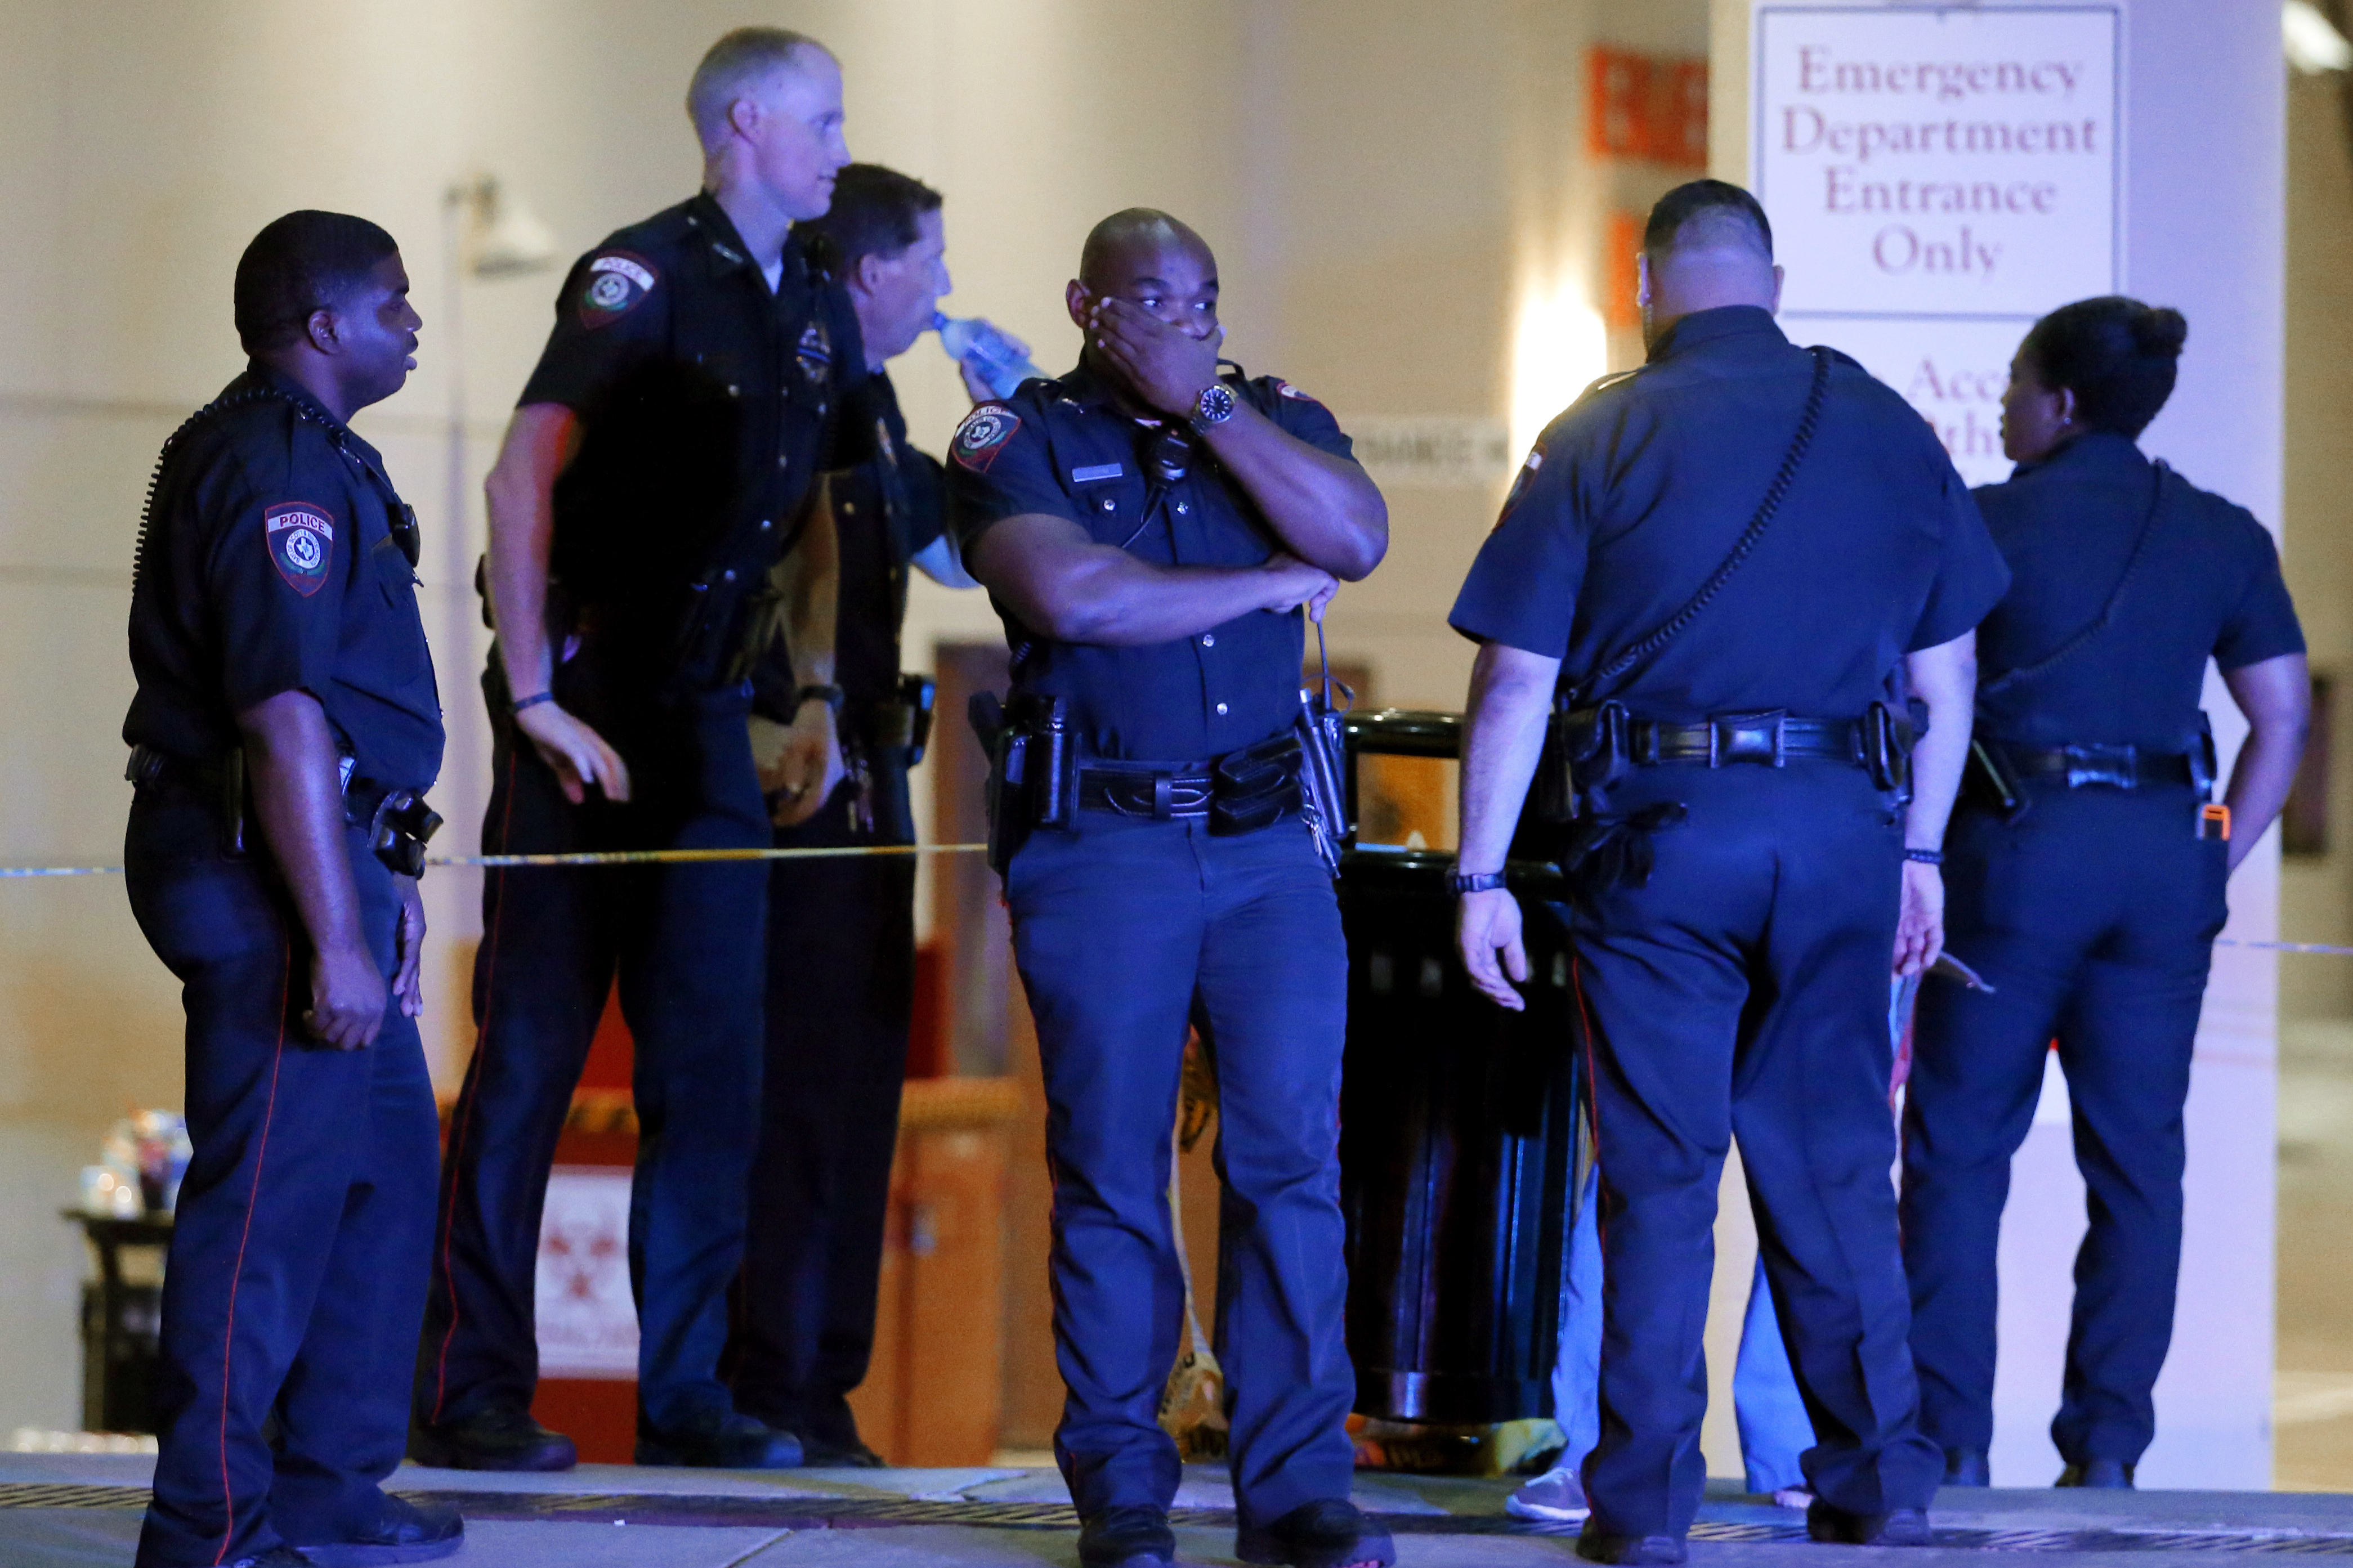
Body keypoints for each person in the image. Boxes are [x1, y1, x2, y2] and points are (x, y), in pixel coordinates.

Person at [1450, 179, 2010, 1564]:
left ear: (1646, 290)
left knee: (1657, 1176)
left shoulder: (1601, 427)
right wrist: (1922, 853)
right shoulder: (1882, 422)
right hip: (1841, 835)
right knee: (1832, 1172)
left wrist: (1478, 878)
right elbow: (1946, 675)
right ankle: (1878, 1483)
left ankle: (1638, 1507)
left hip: (1661, 835)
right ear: (1770, 279)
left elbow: (1516, 676)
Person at [413, 26, 864, 1471]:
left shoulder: (812, 299)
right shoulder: (640, 273)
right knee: (535, 1048)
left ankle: (683, 1397)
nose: (840, 149)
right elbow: (521, 466)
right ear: (744, 125)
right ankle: (475, 1388)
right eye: (823, 123)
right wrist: (537, 695)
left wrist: (810, 698)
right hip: (588, 694)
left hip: (709, 721)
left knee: (709, 1066)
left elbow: (818, 519)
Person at [951, 209, 1392, 1568]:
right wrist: (1264, 586)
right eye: (1153, 302)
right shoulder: (1011, 439)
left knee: (1291, 1165)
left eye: (1201, 300)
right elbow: (1074, 595)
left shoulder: (1266, 413)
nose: (1185, 321)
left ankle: (1298, 1488)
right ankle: (1123, 1491)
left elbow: (1357, 535)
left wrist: (1206, 405)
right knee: (1110, 1171)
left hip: (1268, 856)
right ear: (1089, 304)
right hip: (1106, 847)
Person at [1900, 298, 2309, 1490]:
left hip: (2014, 857)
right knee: (2136, 1166)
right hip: (2158, 861)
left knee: (1957, 1154)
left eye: (2015, 384)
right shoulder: (2220, 532)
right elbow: (2278, 719)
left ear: (2060, 403)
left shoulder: (1980, 524)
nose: (2000, 404)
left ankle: (1951, 1445)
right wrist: (2213, 852)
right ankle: (2107, 1454)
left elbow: (1921, 695)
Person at [124, 211, 459, 1567]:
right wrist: (332, 931)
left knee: (379, 1172)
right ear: (322, 324)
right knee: (264, 1203)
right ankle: (206, 1524)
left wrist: (386, 876)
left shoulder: (325, 454)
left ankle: (328, 1485)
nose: (414, 319)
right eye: (392, 301)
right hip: (265, 867)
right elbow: (282, 720)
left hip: (332, 856)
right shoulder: (277, 470)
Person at [723, 162, 994, 1467]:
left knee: (854, 1093)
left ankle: (819, 1381)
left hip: (873, 800)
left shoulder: (872, 401)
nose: (942, 289)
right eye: (930, 264)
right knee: (796, 1097)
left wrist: (1011, 414)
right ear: (875, 269)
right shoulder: (791, 387)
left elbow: (956, 543)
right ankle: (766, 1381)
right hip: (794, 797)